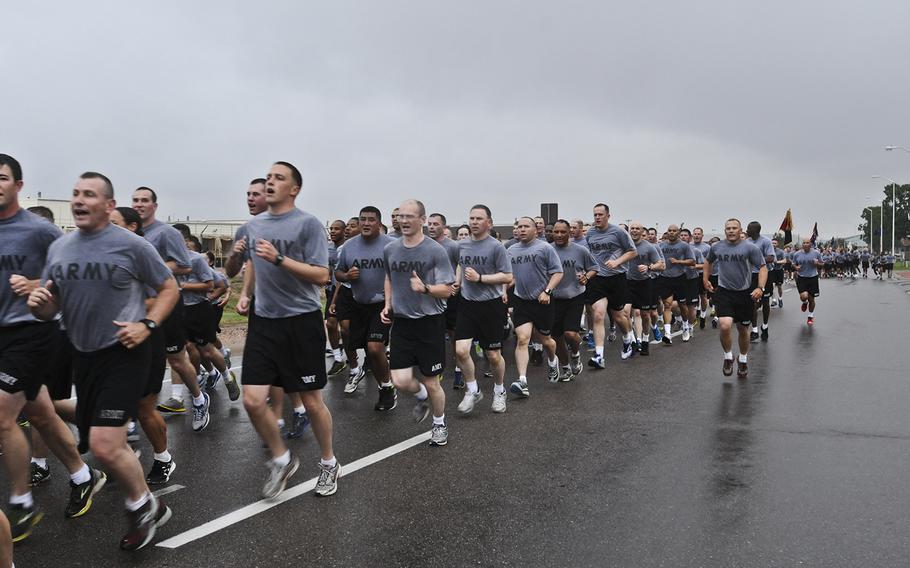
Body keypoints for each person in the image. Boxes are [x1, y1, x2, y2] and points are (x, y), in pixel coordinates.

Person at [29, 171, 178, 550]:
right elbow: (54, 305)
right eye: (75, 193)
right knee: (101, 440)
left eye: (89, 194)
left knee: (105, 443)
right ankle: (147, 505)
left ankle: (141, 507)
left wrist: (147, 324)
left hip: (126, 351)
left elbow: (168, 288)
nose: (79, 200)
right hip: (85, 355)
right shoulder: (60, 249)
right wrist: (43, 306)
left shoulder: (131, 245)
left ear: (109, 205)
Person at [1, 155, 105, 544]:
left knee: (3, 414)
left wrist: (35, 283)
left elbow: (75, 270)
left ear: (19, 185)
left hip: (32, 332)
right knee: (41, 413)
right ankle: (83, 475)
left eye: (2, 178)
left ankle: (21, 500)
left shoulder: (38, 231)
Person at [236, 161, 339, 499]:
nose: (270, 182)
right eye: (267, 177)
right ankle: (281, 459)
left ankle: (328, 462)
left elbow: (321, 275)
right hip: (265, 322)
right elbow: (247, 265)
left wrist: (280, 259)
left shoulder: (307, 224)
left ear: (294, 189)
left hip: (302, 320)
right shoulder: (253, 225)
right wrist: (245, 290)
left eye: (278, 178)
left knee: (311, 401)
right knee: (252, 400)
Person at [132, 188, 211, 429]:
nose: (139, 204)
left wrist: (151, 267)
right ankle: (131, 418)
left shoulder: (166, 233)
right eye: (135, 200)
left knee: (176, 360)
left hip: (167, 303)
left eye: (144, 200)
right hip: (137, 305)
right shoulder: (128, 232)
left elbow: (185, 265)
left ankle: (198, 399)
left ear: (154, 205)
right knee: (135, 360)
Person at [109, 207, 176, 485]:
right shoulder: (99, 254)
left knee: (143, 409)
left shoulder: (142, 254)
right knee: (111, 405)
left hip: (145, 339)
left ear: (132, 227)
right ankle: (120, 454)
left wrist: (125, 309)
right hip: (111, 341)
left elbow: (164, 295)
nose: (107, 228)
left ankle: (163, 458)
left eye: (114, 223)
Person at [381, 200, 456, 446]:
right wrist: (387, 305)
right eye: (400, 216)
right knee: (401, 380)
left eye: (409, 216)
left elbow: (447, 290)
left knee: (432, 380)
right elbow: (389, 278)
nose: (403, 220)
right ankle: (421, 396)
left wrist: (425, 288)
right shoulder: (391, 249)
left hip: (429, 322)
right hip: (402, 323)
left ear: (422, 219)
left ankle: (439, 424)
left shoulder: (435, 251)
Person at [334, 206, 397, 410]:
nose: (366, 223)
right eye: (363, 219)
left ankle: (387, 388)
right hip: (358, 303)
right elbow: (338, 273)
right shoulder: (349, 246)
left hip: (383, 304)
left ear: (379, 223)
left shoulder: (392, 245)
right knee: (369, 352)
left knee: (374, 346)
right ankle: (384, 386)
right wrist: (347, 276)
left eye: (371, 219)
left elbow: (402, 273)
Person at [453, 205, 513, 413]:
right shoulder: (462, 245)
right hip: (467, 304)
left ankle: (499, 391)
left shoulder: (496, 247)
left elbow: (507, 276)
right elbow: (461, 264)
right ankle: (472, 390)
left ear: (489, 222)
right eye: (472, 218)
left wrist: (480, 278)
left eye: (479, 218)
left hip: (491, 305)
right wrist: (457, 281)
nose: (474, 222)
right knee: (460, 351)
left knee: (493, 355)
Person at [703, 219, 767, 380]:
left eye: (734, 228)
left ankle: (743, 359)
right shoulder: (717, 247)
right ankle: (728, 357)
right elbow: (708, 261)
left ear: (740, 230)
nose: (731, 231)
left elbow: (762, 267)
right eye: (728, 228)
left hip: (744, 293)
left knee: (742, 329)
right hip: (724, 292)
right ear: (724, 231)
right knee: (724, 326)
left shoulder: (750, 248)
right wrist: (706, 279)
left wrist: (760, 287)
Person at [507, 217, 564, 396]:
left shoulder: (545, 248)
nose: (522, 229)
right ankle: (522, 381)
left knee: (546, 341)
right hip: (521, 301)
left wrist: (547, 291)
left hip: (542, 301)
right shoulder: (511, 250)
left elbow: (558, 272)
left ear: (535, 230)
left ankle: (553, 361)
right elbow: (510, 276)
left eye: (526, 226)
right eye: (519, 226)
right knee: (523, 339)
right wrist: (502, 290)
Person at [585, 204, 638, 366]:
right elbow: (590, 254)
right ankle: (599, 355)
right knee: (599, 314)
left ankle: (628, 338)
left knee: (618, 316)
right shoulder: (590, 233)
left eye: (601, 214)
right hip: (598, 278)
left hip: (617, 278)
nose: (597, 218)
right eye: (595, 215)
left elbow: (632, 251)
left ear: (608, 216)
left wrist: (617, 262)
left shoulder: (618, 232)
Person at [549, 220, 597, 377]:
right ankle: (565, 367)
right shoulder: (547, 250)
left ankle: (575, 355)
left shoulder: (580, 250)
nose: (559, 235)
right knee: (556, 337)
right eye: (556, 232)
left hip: (575, 296)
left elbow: (594, 268)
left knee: (570, 333)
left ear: (570, 233)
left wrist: (586, 277)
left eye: (563, 232)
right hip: (554, 298)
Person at [427, 213, 463, 389]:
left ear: (444, 226)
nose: (432, 227)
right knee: (436, 333)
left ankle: (458, 369)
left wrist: (457, 283)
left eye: (435, 224)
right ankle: (437, 367)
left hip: (451, 294)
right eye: (430, 224)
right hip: (432, 295)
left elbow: (461, 265)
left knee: (454, 332)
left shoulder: (453, 246)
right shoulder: (424, 245)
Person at [625, 222, 664, 356]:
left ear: (642, 232)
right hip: (627, 282)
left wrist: (649, 267)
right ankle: (633, 340)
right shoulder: (624, 245)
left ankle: (646, 340)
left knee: (645, 315)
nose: (634, 231)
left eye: (637, 229)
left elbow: (661, 265)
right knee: (625, 313)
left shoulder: (649, 247)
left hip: (644, 283)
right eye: (632, 229)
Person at [657, 224, 695, 344]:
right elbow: (656, 259)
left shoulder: (684, 245)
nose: (672, 233)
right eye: (669, 231)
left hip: (680, 278)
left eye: (674, 231)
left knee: (682, 304)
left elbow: (692, 261)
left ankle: (685, 326)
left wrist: (678, 261)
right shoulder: (661, 245)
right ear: (667, 232)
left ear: (678, 232)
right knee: (667, 305)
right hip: (665, 278)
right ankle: (668, 334)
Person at [791, 238, 823, 326]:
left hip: (813, 278)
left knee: (812, 299)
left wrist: (817, 264)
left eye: (807, 243)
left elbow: (822, 264)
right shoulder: (797, 254)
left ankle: (810, 316)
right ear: (802, 245)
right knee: (804, 296)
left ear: (811, 244)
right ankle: (805, 302)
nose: (805, 244)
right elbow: (793, 264)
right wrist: (796, 268)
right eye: (804, 243)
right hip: (801, 278)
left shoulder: (816, 253)